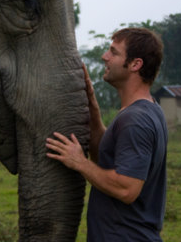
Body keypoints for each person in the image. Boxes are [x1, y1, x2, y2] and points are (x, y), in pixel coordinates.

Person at [46, 27, 168, 241]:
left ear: (135, 64)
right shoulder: (146, 110)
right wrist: (92, 107)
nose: (105, 56)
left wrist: (80, 163)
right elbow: (108, 158)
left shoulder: (135, 120)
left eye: (114, 52)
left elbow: (127, 189)